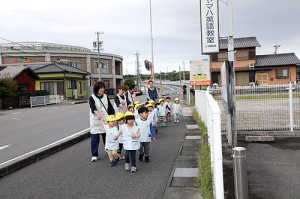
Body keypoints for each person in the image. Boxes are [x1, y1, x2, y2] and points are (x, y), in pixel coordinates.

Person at [89, 81, 115, 162]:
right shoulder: (92, 97)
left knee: (106, 136)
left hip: (105, 119)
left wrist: (113, 116)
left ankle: (108, 150)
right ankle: (94, 154)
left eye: (103, 88)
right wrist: (98, 115)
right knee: (95, 139)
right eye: (100, 88)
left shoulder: (105, 96)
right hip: (96, 120)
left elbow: (110, 107)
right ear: (97, 89)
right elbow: (93, 108)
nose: (102, 89)